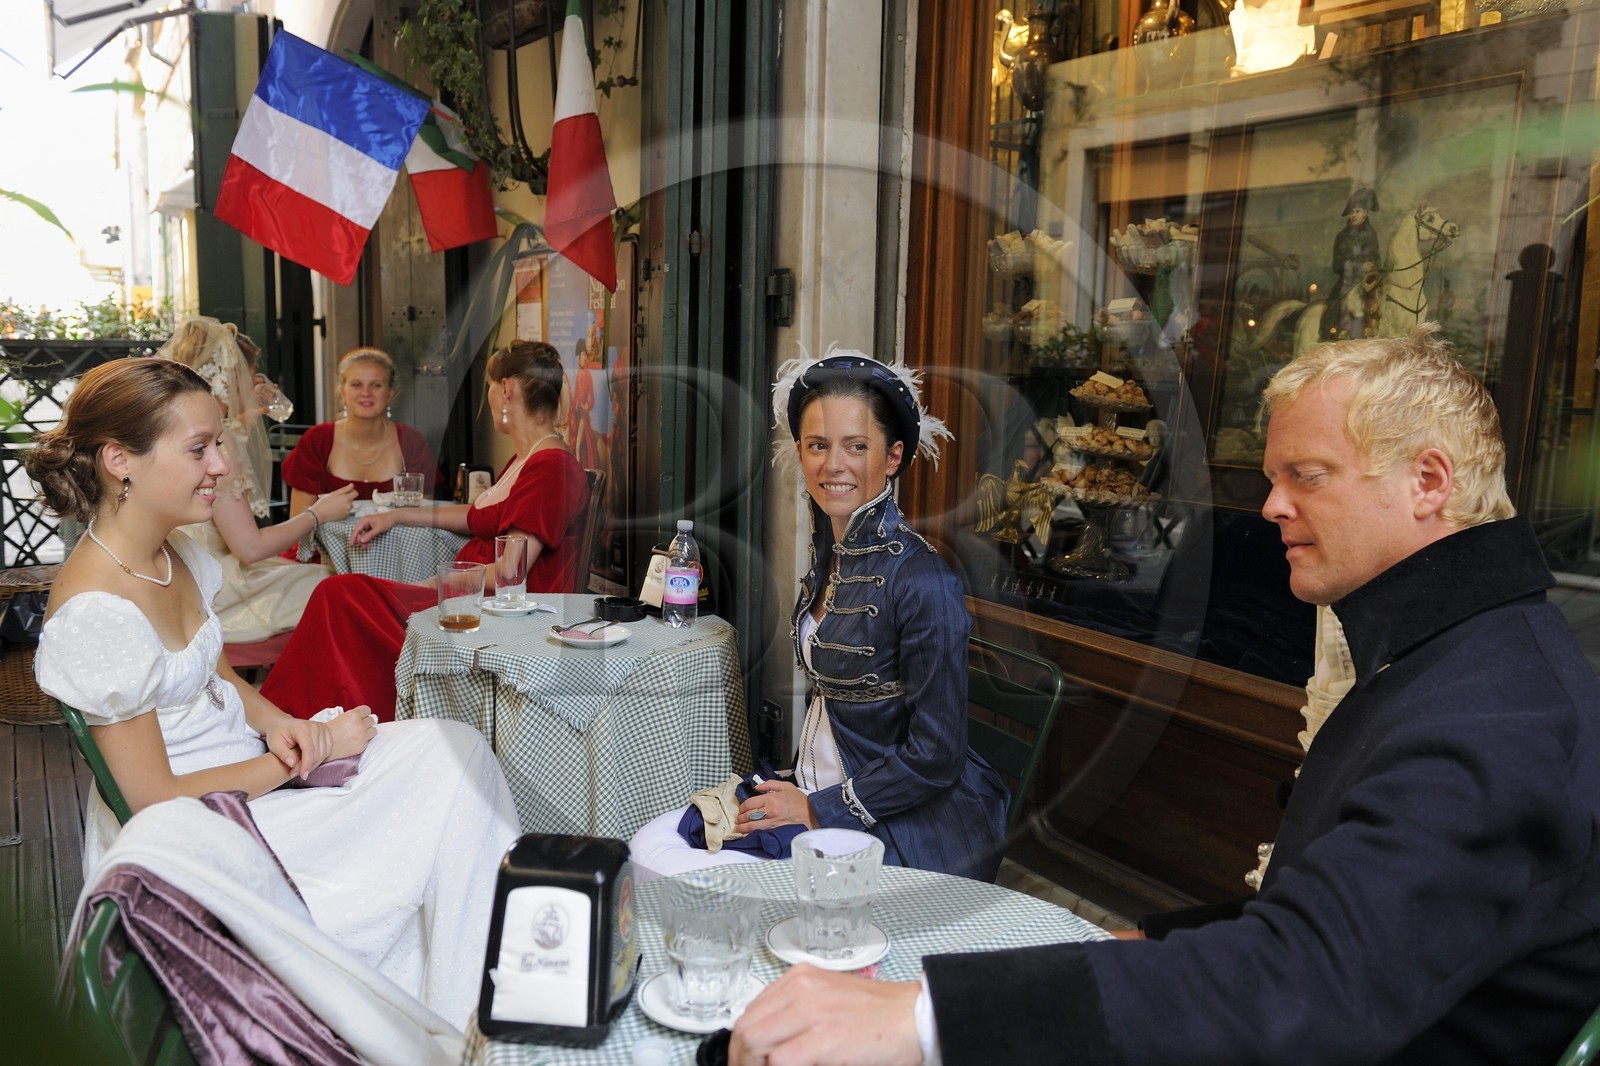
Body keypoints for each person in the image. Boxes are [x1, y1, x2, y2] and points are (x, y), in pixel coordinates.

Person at [730, 325, 1600, 1065]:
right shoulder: (1447, 648)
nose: (1270, 507)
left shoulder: (1498, 713)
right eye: (1274, 476)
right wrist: (1141, 948)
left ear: (1430, 483)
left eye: (1308, 475)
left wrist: (925, 1019)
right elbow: (1328, 918)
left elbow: (1307, 984)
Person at [25, 357, 521, 1030]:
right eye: (199, 448)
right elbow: (152, 802)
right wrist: (302, 755)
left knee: (452, 748)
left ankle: (481, 992)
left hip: (245, 774)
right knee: (444, 783)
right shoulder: (96, 613)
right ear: (120, 460)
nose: (223, 467)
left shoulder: (180, 557)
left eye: (219, 443)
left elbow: (217, 675)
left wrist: (281, 720)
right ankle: (486, 1011)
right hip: (203, 834)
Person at [630, 349, 1008, 883]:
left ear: (893, 456)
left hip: (899, 825)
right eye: (818, 445)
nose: (834, 464)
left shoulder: (924, 580)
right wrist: (801, 790)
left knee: (679, 868)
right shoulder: (829, 558)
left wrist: (817, 809)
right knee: (664, 840)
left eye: (857, 446)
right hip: (819, 786)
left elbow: (938, 755)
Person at [260, 340, 590, 722]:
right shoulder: (527, 458)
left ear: (507, 389)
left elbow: (508, 572)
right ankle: (300, 719)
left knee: (340, 594)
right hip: (462, 603)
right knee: (341, 596)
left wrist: (441, 581)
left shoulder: (550, 467)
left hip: (483, 616)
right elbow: (475, 516)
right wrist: (398, 516)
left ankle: (291, 719)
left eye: (490, 386)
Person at [156, 317, 356, 642]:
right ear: (232, 375)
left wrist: (244, 419)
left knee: (319, 576)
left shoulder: (185, 431)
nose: (258, 379)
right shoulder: (220, 443)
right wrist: (319, 513)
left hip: (179, 577)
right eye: (252, 371)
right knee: (342, 587)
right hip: (217, 592)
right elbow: (249, 548)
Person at [280, 346, 440, 512]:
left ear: (390, 392)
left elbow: (423, 520)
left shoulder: (412, 442)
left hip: (402, 538)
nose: (366, 393)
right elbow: (299, 522)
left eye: (376, 385)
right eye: (356, 385)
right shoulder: (316, 441)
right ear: (342, 392)